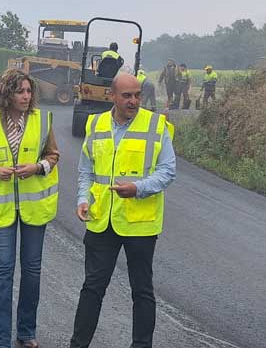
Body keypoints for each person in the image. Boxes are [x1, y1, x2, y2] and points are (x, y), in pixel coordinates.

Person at [70, 72, 176, 348]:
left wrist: (138, 188)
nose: (134, 101)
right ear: (112, 96)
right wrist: (83, 199)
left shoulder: (156, 125)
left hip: (139, 223)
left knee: (142, 292)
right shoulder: (95, 124)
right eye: (127, 95)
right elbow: (86, 170)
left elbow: (167, 171)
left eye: (138, 95)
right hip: (101, 220)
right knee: (92, 288)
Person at [0, 68, 60, 348]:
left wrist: (37, 167)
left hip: (34, 209)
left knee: (32, 272)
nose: (26, 96)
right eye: (19, 91)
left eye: (28, 91)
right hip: (2, 210)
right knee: (3, 272)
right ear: (6, 93)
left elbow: (53, 155)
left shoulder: (42, 120)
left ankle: (26, 332)